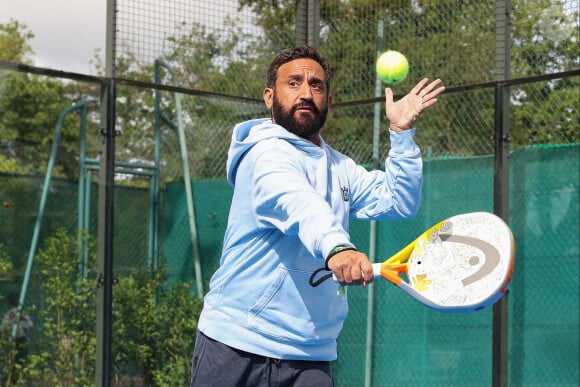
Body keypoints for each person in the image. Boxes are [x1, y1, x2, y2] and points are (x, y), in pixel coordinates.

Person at [190, 45, 445, 386]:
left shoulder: (339, 167)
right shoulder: (265, 155)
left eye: (317, 85)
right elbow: (300, 204)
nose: (306, 93)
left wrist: (400, 135)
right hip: (238, 342)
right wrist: (339, 249)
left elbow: (398, 200)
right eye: (293, 83)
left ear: (329, 100)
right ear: (270, 97)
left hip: (311, 353)